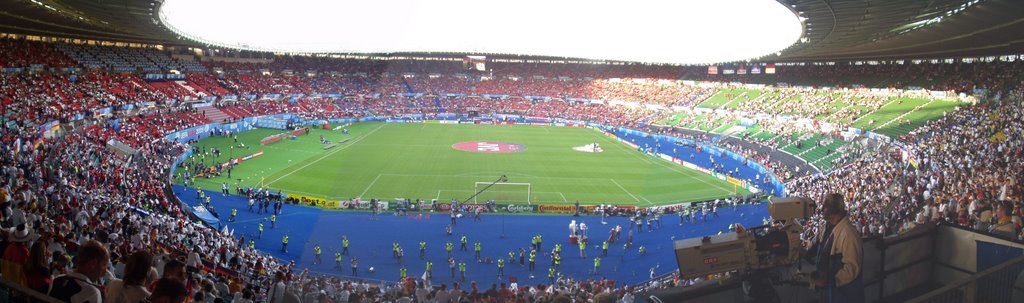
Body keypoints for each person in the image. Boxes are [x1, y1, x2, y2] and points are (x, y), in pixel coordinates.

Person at [811, 193, 864, 303]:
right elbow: (820, 248)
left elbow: (852, 268)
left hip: (845, 295)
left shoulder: (849, 233)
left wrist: (830, 280)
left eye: (826, 206)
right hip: (829, 291)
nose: (822, 209)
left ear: (834, 210)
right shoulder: (827, 226)